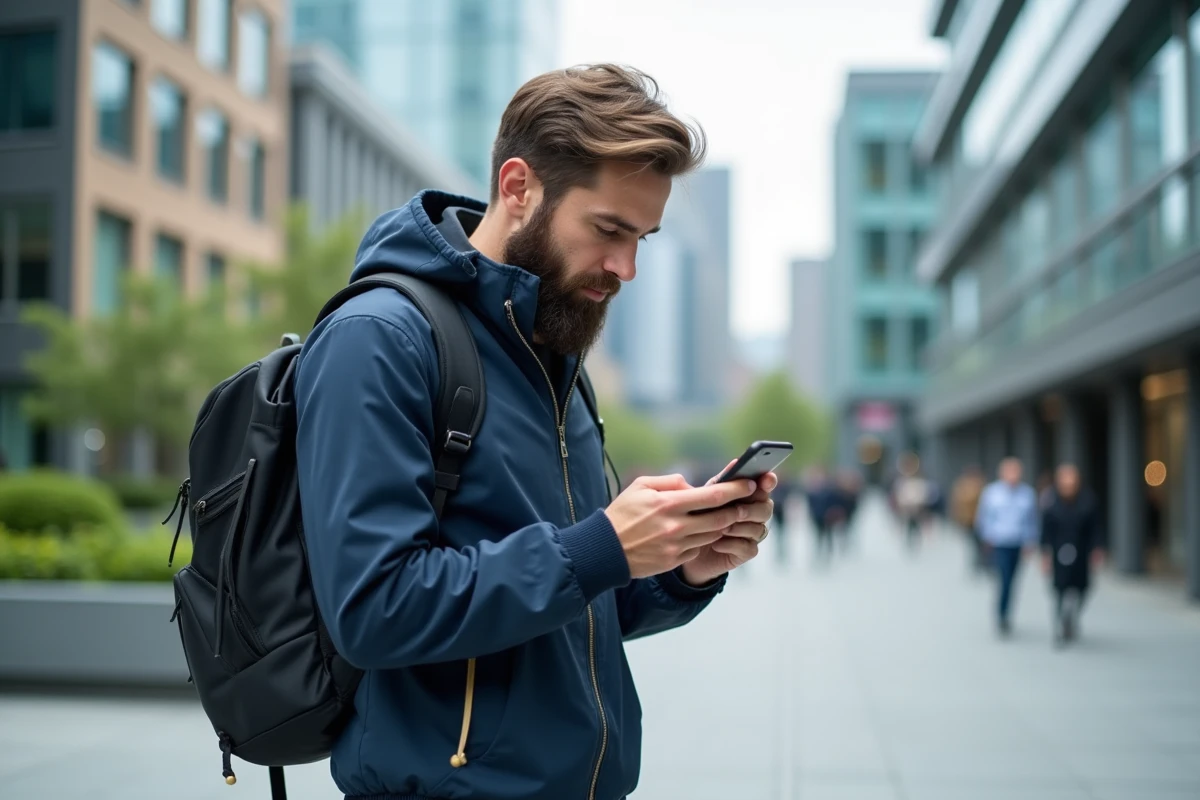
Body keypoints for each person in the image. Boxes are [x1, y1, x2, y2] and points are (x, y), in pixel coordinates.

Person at [293, 65, 779, 800]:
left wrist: (681, 569)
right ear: (518, 187)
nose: (628, 267)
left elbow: (577, 606)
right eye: (609, 230)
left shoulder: (554, 356)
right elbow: (374, 609)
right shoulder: (379, 338)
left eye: (643, 236)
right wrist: (602, 545)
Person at [1040, 463, 1105, 645]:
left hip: (1082, 551)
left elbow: (1095, 527)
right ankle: (1060, 624)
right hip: (1058, 551)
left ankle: (1072, 615)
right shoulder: (1051, 501)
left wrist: (1097, 549)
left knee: (1083, 587)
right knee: (1059, 589)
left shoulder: (1088, 500)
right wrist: (1045, 554)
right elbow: (1045, 530)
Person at [975, 457, 1039, 636]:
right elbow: (984, 517)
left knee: (1012, 580)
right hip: (999, 542)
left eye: (1016, 471)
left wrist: (1030, 541)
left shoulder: (1027, 494)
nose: (1013, 476)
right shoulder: (992, 492)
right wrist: (987, 538)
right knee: (1003, 579)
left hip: (1017, 543)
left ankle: (1007, 612)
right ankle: (1001, 614)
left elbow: (1031, 521)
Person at [950, 465, 987, 573]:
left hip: (978, 519)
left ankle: (979, 562)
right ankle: (978, 562)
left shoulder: (978, 485)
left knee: (977, 542)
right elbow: (957, 504)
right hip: (969, 520)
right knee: (974, 542)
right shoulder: (969, 486)